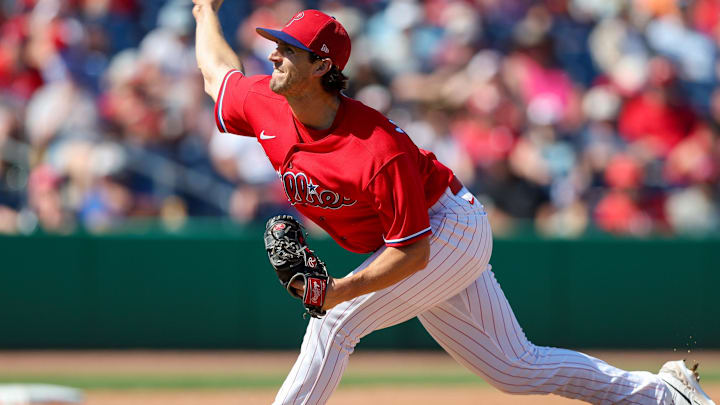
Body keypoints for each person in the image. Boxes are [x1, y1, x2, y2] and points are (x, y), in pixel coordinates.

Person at [192, 1, 715, 404]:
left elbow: (413, 254)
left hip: (446, 230)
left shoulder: (377, 149)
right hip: (420, 240)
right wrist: (202, 11)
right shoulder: (267, 101)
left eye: (287, 48)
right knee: (516, 368)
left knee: (335, 322)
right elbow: (219, 73)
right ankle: (663, 394)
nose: (273, 54)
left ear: (321, 65)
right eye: (275, 45)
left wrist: (341, 290)